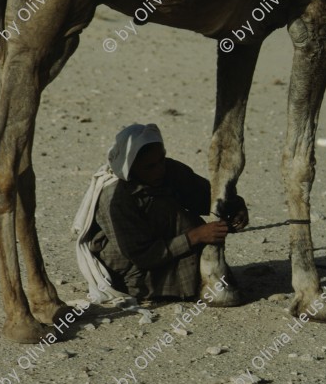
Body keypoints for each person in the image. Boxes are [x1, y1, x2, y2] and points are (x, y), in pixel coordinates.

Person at [75, 123, 246, 302]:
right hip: (134, 271)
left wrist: (235, 207)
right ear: (131, 167)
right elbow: (142, 256)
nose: (159, 170)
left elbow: (206, 196)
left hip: (169, 250)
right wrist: (196, 236)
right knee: (164, 208)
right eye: (149, 166)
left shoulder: (167, 170)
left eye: (161, 160)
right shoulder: (115, 198)